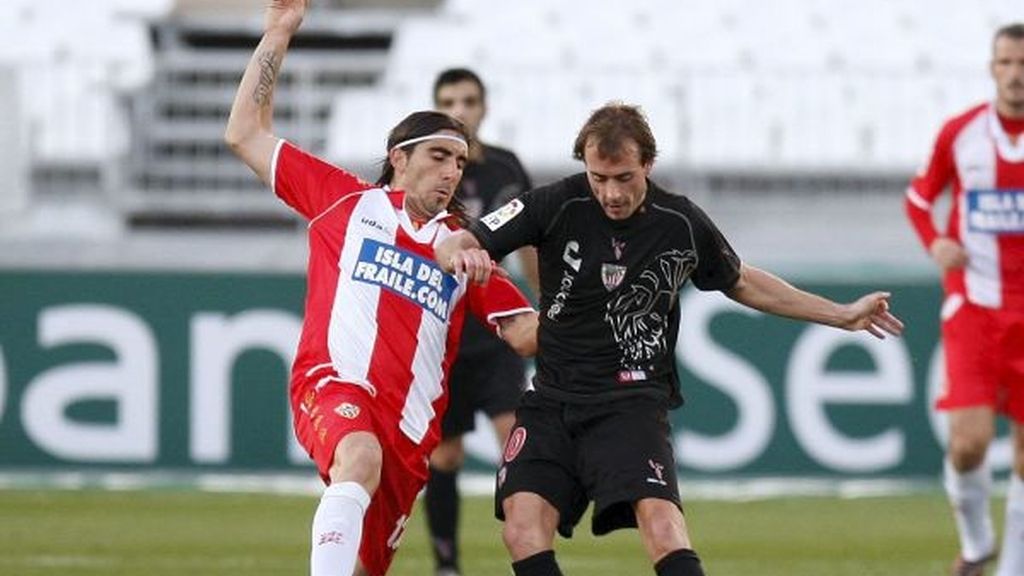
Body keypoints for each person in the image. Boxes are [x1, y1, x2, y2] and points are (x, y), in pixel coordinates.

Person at [436, 102, 904, 576]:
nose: (611, 192)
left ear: (648, 165)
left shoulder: (678, 222)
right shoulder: (556, 203)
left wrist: (841, 315)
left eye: (623, 177)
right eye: (599, 177)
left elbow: (741, 280)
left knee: (662, 529)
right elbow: (457, 241)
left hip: (629, 401)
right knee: (521, 530)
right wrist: (463, 255)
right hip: (552, 398)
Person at [223, 2, 538, 575]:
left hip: (411, 432)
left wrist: (598, 311)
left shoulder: (467, 245)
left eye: (460, 163)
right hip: (333, 383)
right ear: (399, 158)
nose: (451, 172)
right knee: (358, 454)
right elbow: (245, 133)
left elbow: (524, 335)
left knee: (367, 560)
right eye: (439, 155)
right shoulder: (343, 200)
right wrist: (278, 33)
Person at [904, 22, 1024, 576]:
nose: (1016, 75)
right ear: (992, 68)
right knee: (969, 444)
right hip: (974, 308)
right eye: (1005, 63)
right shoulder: (962, 133)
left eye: (1022, 64)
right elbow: (918, 197)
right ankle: (977, 544)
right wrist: (937, 242)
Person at [424, 67, 537, 576]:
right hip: (441, 332)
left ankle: (532, 552)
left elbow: (532, 239)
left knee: (514, 442)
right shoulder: (422, 170)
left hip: (494, 330)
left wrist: (546, 299)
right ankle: (447, 564)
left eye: (469, 100)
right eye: (451, 100)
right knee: (444, 458)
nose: (462, 109)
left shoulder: (506, 169)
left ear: (484, 106)